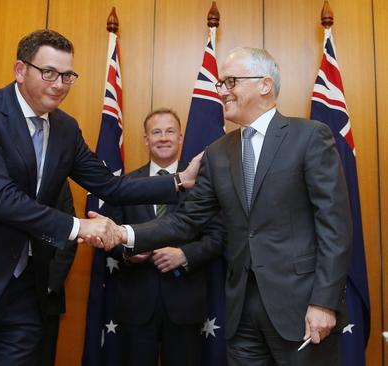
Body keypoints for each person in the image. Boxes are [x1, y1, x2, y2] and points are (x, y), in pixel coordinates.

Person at [0, 29, 201, 365]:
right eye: (48, 72)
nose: (59, 84)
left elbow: (110, 186)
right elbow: (1, 199)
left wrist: (180, 180)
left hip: (24, 286)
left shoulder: (65, 127)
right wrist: (78, 227)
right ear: (20, 70)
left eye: (67, 75)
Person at [91, 47, 352, 366]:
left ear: (264, 85)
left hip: (301, 308)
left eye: (231, 82)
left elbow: (335, 227)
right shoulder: (217, 153)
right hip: (241, 311)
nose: (222, 91)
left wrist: (324, 303)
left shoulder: (310, 137)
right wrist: (124, 234)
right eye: (220, 83)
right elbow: (185, 222)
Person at [104, 109, 224, 365]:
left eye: (170, 131)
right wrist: (128, 253)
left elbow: (218, 237)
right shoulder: (125, 185)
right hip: (136, 303)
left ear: (180, 138)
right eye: (156, 132)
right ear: (146, 139)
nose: (163, 138)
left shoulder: (203, 184)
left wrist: (184, 254)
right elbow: (109, 236)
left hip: (185, 304)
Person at [34, 180, 78, 366]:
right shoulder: (0, 170)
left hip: (46, 296)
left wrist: (51, 283)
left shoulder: (59, 179)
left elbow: (69, 235)